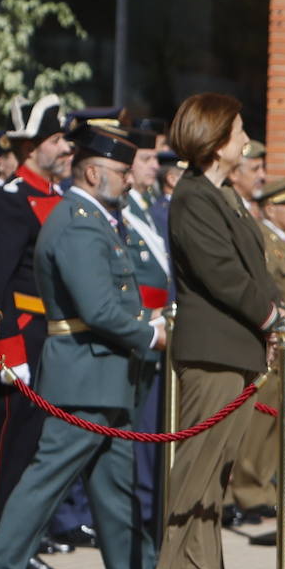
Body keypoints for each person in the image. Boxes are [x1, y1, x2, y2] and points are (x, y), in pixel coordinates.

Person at [0, 126, 163, 569]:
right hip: (85, 374)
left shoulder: (95, 218)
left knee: (115, 490)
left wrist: (148, 319)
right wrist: (152, 333)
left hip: (104, 375)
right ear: (92, 172)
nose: (129, 180)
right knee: (47, 480)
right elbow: (99, 309)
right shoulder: (80, 221)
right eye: (122, 171)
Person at [155, 93, 284, 569]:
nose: (246, 139)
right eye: (238, 130)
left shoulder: (221, 192)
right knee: (199, 465)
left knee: (220, 468)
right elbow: (221, 274)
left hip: (237, 348)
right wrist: (273, 316)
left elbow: (252, 267)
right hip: (213, 349)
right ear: (214, 139)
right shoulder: (193, 196)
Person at [0, 94, 86, 569]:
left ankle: (26, 544)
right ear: (32, 147)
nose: (65, 148)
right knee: (16, 449)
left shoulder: (57, 198)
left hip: (56, 338)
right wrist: (7, 348)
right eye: (57, 139)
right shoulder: (9, 200)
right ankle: (6, 549)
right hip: (25, 335)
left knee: (43, 446)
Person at [227, 177, 285, 524]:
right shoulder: (263, 239)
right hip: (274, 337)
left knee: (278, 420)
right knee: (261, 420)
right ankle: (249, 491)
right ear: (270, 208)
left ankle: (263, 487)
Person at [119, 124, 172, 535]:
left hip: (158, 326)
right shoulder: (123, 208)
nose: (156, 166)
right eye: (147, 159)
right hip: (138, 326)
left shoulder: (142, 207)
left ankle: (147, 504)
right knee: (131, 426)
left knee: (151, 425)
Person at [229, 140, 267, 220]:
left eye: (263, 168)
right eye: (255, 169)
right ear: (234, 173)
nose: (262, 176)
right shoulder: (229, 210)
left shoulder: (259, 211)